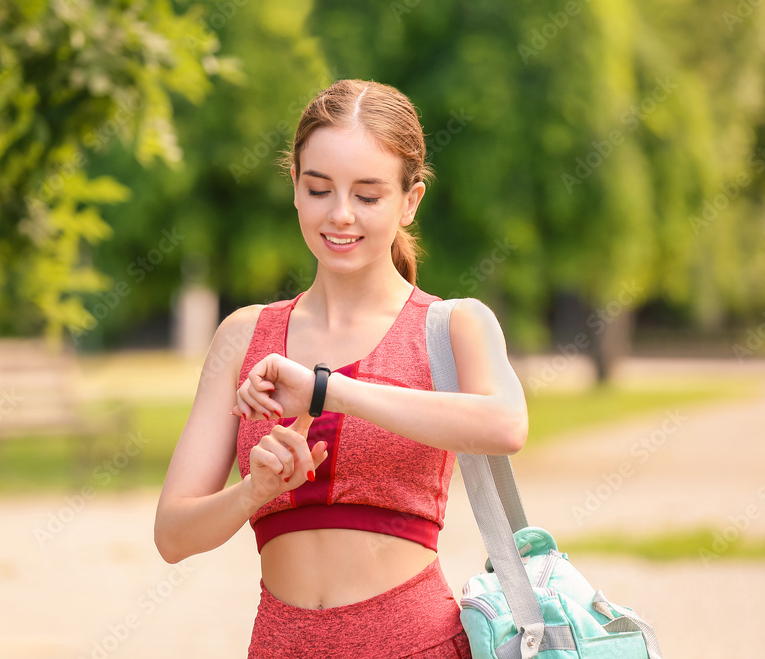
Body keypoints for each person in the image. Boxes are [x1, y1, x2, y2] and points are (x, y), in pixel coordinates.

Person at [154, 79, 529, 658]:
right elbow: (173, 536)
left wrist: (329, 391)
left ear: (411, 201)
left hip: (416, 645)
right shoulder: (244, 336)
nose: (341, 215)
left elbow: (507, 425)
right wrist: (254, 491)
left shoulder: (454, 326)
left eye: (369, 195)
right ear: (296, 191)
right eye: (320, 189)